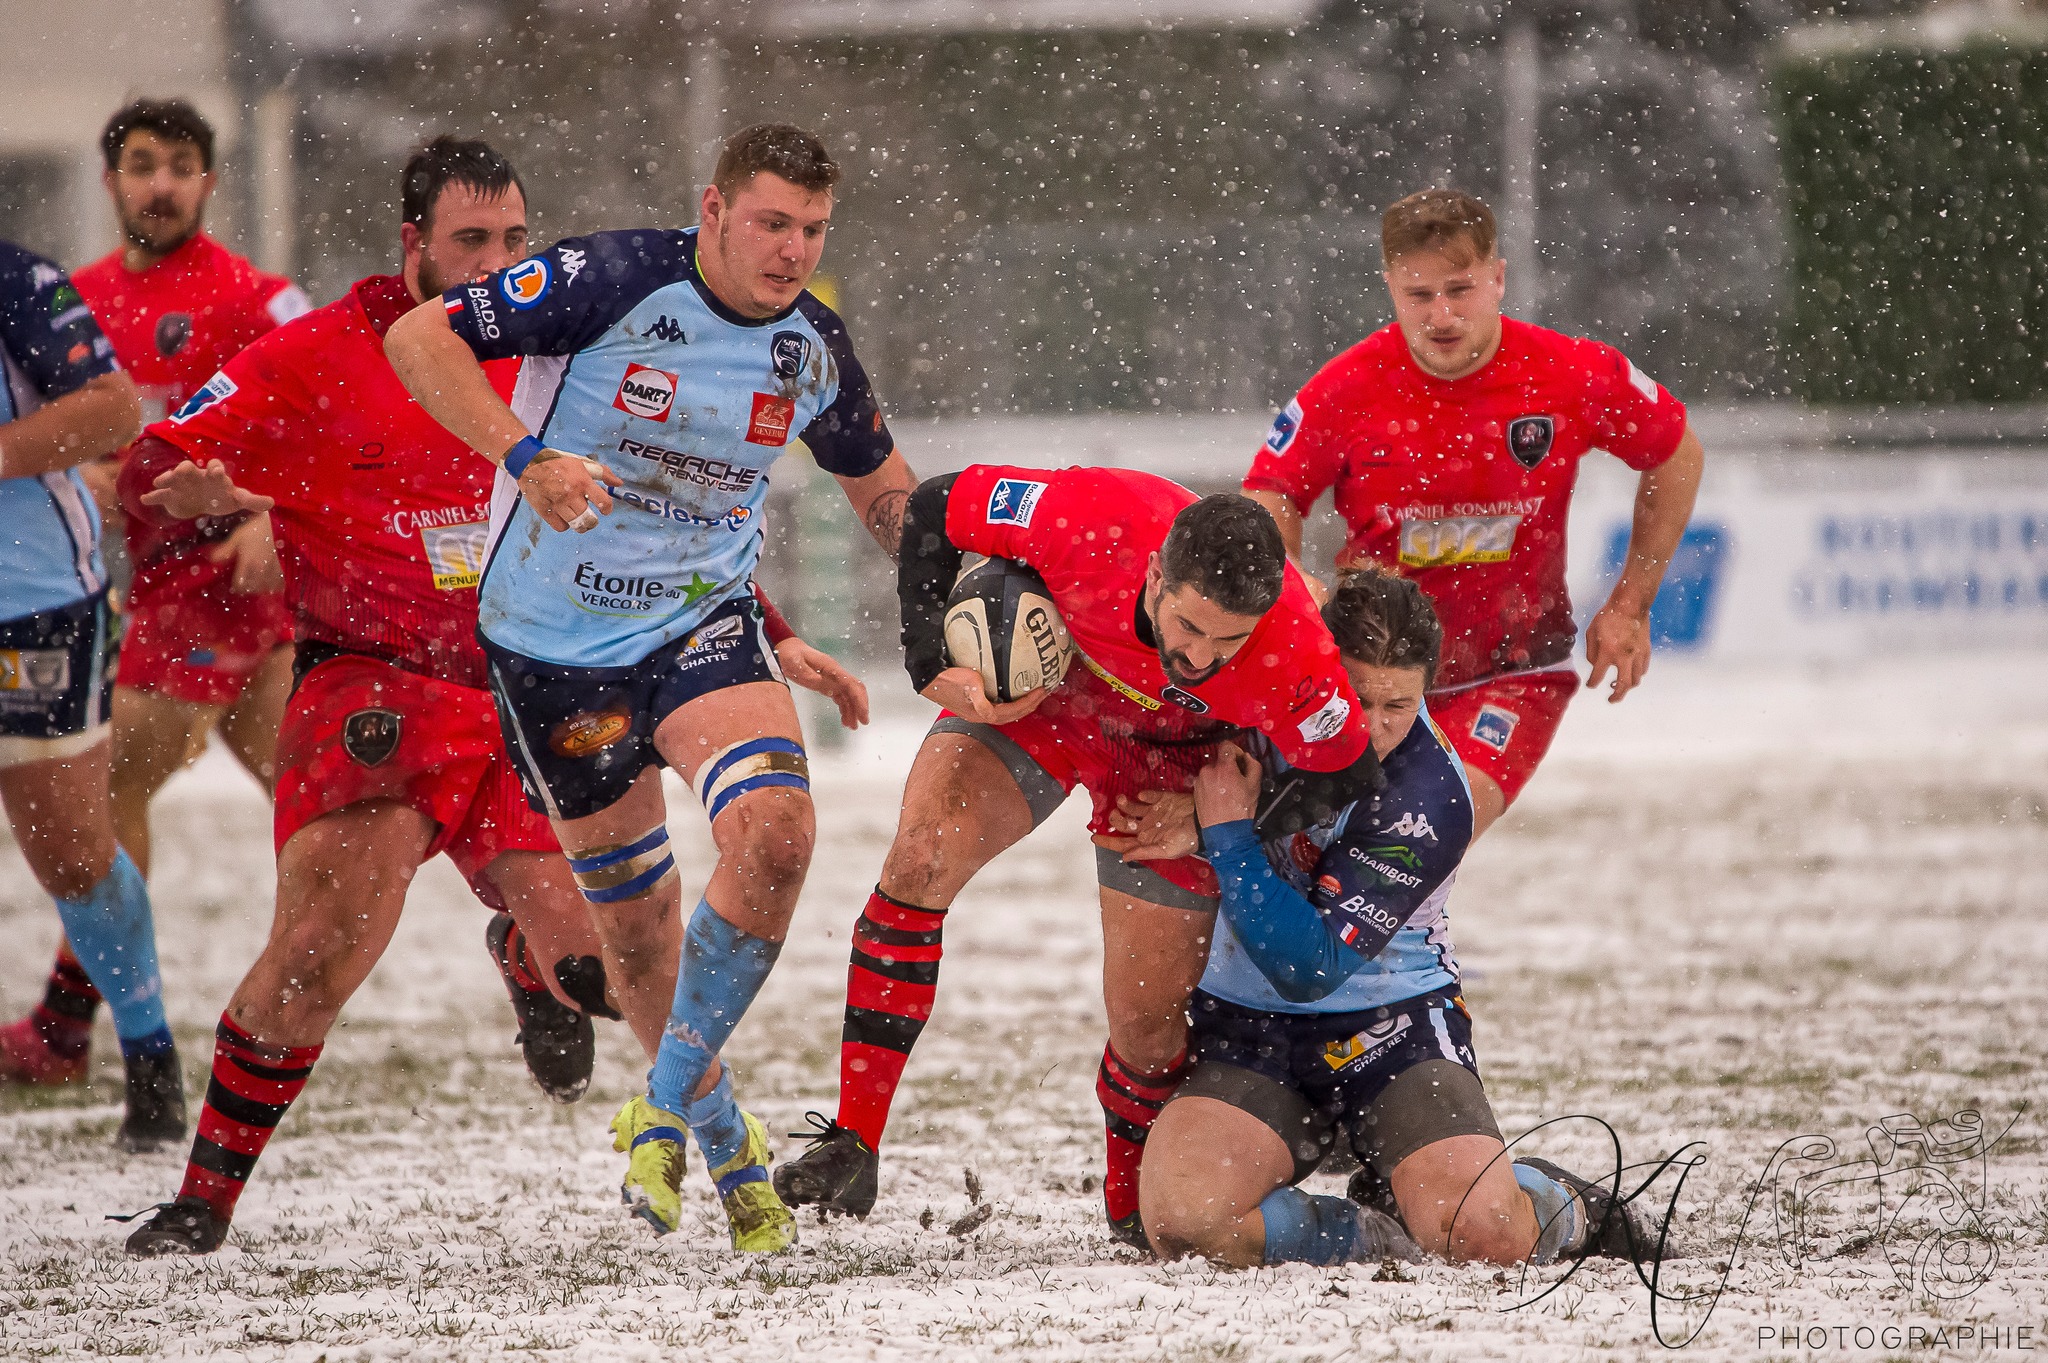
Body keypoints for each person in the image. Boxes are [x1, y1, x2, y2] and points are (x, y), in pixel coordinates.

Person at [110, 135, 868, 1257]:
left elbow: (667, 519)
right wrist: (232, 500)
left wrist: (778, 629)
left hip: (523, 688)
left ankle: (549, 983)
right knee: (323, 947)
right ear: (410, 241)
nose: (496, 264)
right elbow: (147, 468)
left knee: (609, 968)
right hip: (373, 685)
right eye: (471, 242)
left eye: (513, 240)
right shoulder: (318, 352)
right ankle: (204, 1199)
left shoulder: (549, 339)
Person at [383, 122, 914, 1252]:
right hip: (551, 646)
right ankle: (722, 1145)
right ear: (714, 210)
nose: (789, 250)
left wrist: (963, 586)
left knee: (775, 834)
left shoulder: (808, 344)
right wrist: (524, 459)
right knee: (636, 940)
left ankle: (660, 1106)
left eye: (811, 230)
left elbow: (882, 491)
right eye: (771, 223)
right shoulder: (609, 278)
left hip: (701, 627)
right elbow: (419, 337)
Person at [771, 465, 1383, 1249]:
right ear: (1156, 569)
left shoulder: (1296, 646)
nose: (1196, 656)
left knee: (1148, 1025)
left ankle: (1127, 1213)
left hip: (1175, 771)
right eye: (1187, 626)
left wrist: (1207, 824)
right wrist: (931, 663)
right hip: (1051, 699)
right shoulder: (1090, 515)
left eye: (1227, 641)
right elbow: (932, 508)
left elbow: (1345, 772)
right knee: (919, 859)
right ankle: (853, 1143)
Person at [1127, 569, 1659, 1269]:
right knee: (1186, 1224)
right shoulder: (1249, 698)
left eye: (1397, 705)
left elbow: (1307, 968)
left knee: (1486, 1236)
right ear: (1318, 667)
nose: (1373, 727)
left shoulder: (1432, 793)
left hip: (1394, 1027)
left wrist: (1223, 833)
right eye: (1357, 696)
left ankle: (1564, 1201)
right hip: (1248, 1029)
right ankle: (1372, 1231)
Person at [0, 100, 312, 1087]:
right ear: (111, 181)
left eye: (181, 165)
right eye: (142, 165)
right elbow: (87, 433)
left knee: (107, 796)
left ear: (211, 183)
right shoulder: (77, 298)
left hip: (225, 589)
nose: (162, 184)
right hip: (141, 595)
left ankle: (66, 1026)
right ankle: (518, 940)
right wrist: (81, 470)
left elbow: (335, 412)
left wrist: (272, 508)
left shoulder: (258, 298)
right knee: (319, 804)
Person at [1242, 189, 1706, 841]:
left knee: (1408, 845)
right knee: (1291, 857)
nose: (1441, 315)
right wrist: (1296, 593)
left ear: (1499, 278)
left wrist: (1631, 602)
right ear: (1389, 287)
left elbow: (1677, 454)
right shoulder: (1346, 388)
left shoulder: (1569, 372)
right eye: (1418, 294)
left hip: (1511, 676)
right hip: (1370, 677)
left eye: (1460, 289)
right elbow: (1270, 495)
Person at [0, 237, 186, 1148]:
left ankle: (149, 1053)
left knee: (72, 850)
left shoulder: (17, 281)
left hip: (28, 606)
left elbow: (113, 409)